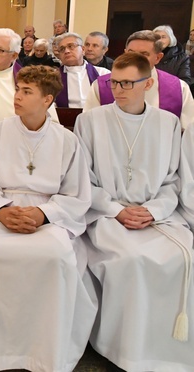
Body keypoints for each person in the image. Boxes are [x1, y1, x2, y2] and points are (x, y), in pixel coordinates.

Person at [0, 65, 95, 372]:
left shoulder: (66, 140)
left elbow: (76, 193)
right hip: (1, 210)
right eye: (18, 89)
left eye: (27, 92)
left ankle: (45, 347)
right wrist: (3, 211)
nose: (17, 96)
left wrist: (43, 213)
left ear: (47, 100)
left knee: (58, 256)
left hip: (49, 214)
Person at [74, 52, 194, 371]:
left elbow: (173, 179)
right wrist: (117, 210)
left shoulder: (167, 124)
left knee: (181, 259)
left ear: (149, 83)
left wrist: (152, 211)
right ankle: (121, 348)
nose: (118, 89)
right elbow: (83, 180)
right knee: (132, 260)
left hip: (156, 216)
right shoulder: (89, 122)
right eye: (114, 82)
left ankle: (163, 344)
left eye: (128, 82)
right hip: (107, 215)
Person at [84, 30, 194, 130]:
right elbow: (89, 126)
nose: (135, 59)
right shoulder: (102, 85)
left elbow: (188, 132)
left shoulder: (179, 88)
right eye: (131, 53)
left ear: (158, 58)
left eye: (144, 54)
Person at [54, 33, 109, 108]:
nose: (66, 51)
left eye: (71, 46)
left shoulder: (103, 74)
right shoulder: (53, 77)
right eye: (62, 49)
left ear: (83, 50)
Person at [154, 24, 193, 89]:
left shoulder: (181, 58)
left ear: (170, 38)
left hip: (171, 93)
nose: (160, 40)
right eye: (157, 37)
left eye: (163, 37)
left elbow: (185, 81)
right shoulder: (148, 54)